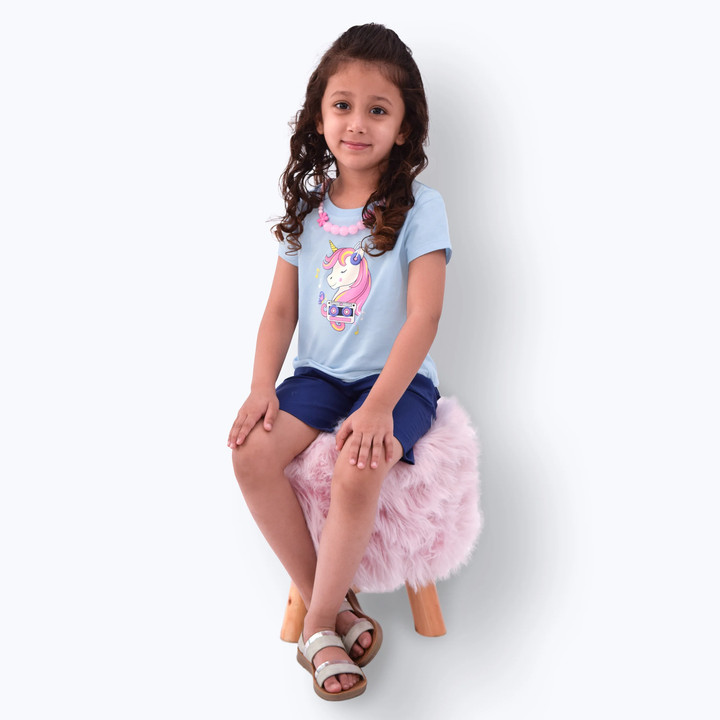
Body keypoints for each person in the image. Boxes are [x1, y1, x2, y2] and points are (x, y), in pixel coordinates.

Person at [227, 23, 452, 701]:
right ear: (320, 116)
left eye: (378, 109)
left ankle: (317, 624)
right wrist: (261, 386)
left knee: (358, 467)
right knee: (249, 454)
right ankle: (334, 610)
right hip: (319, 379)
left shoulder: (421, 208)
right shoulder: (307, 210)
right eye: (343, 105)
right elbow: (280, 312)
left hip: (396, 385)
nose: (357, 123)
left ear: (404, 128)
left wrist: (380, 406)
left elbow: (424, 316)